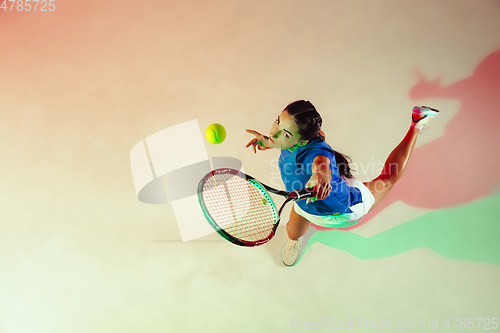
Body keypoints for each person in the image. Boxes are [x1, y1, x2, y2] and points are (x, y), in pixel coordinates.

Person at [245, 100, 439, 266]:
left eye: (285, 134)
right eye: (277, 121)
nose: (274, 133)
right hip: (303, 200)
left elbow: (321, 164)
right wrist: (269, 142)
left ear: (302, 141)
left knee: (387, 178)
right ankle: (294, 241)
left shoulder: (314, 154)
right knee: (292, 232)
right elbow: (279, 139)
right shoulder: (293, 141)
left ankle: (417, 124)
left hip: (343, 210)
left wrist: (321, 178)